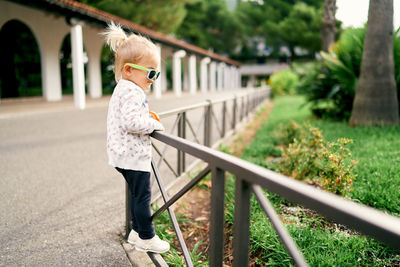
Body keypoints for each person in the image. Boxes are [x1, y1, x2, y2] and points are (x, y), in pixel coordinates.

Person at [103, 22, 169, 254]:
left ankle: (134, 231)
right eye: (150, 73)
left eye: (156, 74)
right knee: (142, 198)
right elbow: (131, 122)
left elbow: (128, 116)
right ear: (128, 70)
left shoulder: (123, 87)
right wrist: (153, 123)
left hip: (121, 153)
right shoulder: (133, 90)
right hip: (132, 155)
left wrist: (144, 116)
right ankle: (147, 237)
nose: (153, 78)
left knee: (135, 194)